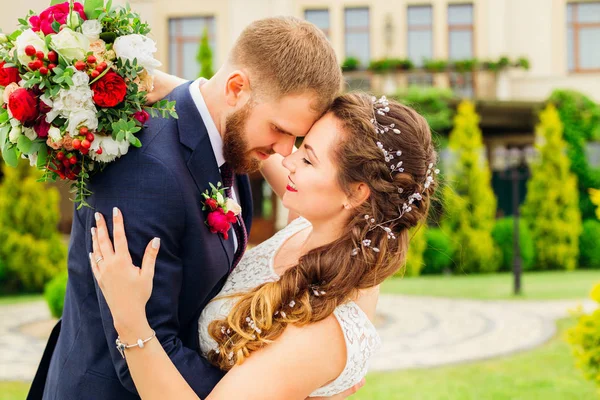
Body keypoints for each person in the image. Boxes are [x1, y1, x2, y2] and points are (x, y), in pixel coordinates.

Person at [28, 16, 343, 400]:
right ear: (236, 88)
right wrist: (272, 389)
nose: (284, 151)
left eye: (297, 136)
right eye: (279, 129)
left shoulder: (231, 142)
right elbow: (145, 347)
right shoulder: (147, 171)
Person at [89, 92, 438, 399]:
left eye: (309, 158)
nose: (288, 160)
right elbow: (255, 134)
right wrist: (186, 88)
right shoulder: (311, 230)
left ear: (355, 193)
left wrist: (130, 318)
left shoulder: (319, 331)